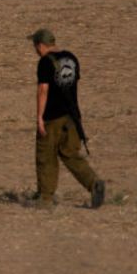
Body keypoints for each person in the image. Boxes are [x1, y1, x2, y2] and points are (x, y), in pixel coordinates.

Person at [31, 28, 106, 209]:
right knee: (70, 154)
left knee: (46, 156)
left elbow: (43, 90)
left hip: (52, 117)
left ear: (41, 45)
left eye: (35, 46)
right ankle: (93, 182)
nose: (34, 49)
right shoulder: (72, 58)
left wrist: (40, 117)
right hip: (72, 116)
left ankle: (46, 197)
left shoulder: (45, 62)